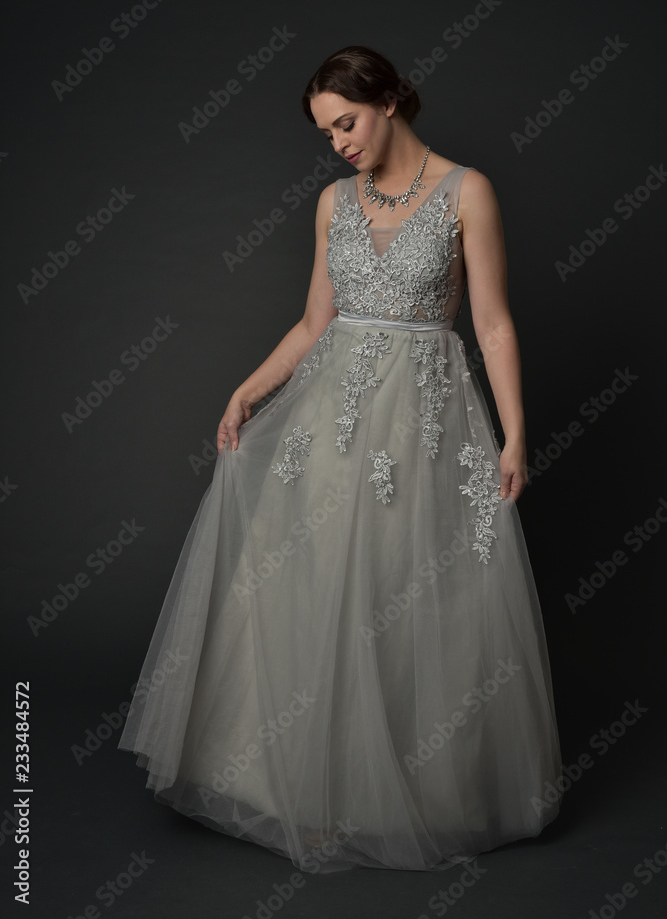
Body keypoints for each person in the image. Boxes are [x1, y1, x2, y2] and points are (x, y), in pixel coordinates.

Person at [118, 45, 563, 874]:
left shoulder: (468, 192)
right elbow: (313, 322)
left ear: (390, 100)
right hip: (331, 425)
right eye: (326, 132)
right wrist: (246, 389)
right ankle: (303, 789)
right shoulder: (331, 203)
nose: (339, 143)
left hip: (424, 429)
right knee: (316, 592)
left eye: (346, 123)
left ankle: (415, 795)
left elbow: (493, 323)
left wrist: (514, 434)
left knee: (409, 595)